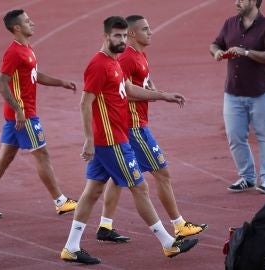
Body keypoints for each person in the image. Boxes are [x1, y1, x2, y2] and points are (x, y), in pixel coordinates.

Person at [60, 16, 198, 265]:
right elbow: (85, 103)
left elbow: (129, 89)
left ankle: (71, 247)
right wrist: (88, 141)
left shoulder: (114, 63)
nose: (122, 40)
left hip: (116, 137)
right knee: (140, 187)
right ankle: (168, 243)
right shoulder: (98, 65)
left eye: (124, 36)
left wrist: (163, 96)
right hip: (111, 140)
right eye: (117, 36)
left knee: (92, 192)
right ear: (105, 36)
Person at [95, 15, 207, 244]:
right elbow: (124, 93)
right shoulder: (126, 58)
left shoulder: (139, 55)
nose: (151, 32)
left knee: (116, 178)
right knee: (162, 174)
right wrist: (162, 96)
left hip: (129, 128)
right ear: (133, 34)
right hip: (133, 127)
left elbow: (144, 80)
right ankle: (179, 225)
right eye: (146, 29)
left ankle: (105, 225)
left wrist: (157, 90)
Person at [0, 9, 77, 218]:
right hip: (24, 115)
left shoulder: (27, 49)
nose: (33, 24)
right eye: (28, 21)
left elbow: (34, 75)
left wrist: (61, 82)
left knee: (6, 157)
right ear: (17, 27)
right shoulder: (14, 52)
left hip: (19, 115)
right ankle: (60, 201)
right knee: (42, 154)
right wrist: (19, 110)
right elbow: (2, 84)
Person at [209, 0, 265, 194]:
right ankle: (247, 177)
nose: (237, 2)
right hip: (233, 92)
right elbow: (215, 44)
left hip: (260, 91)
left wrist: (246, 52)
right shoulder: (230, 23)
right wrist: (217, 52)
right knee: (235, 136)